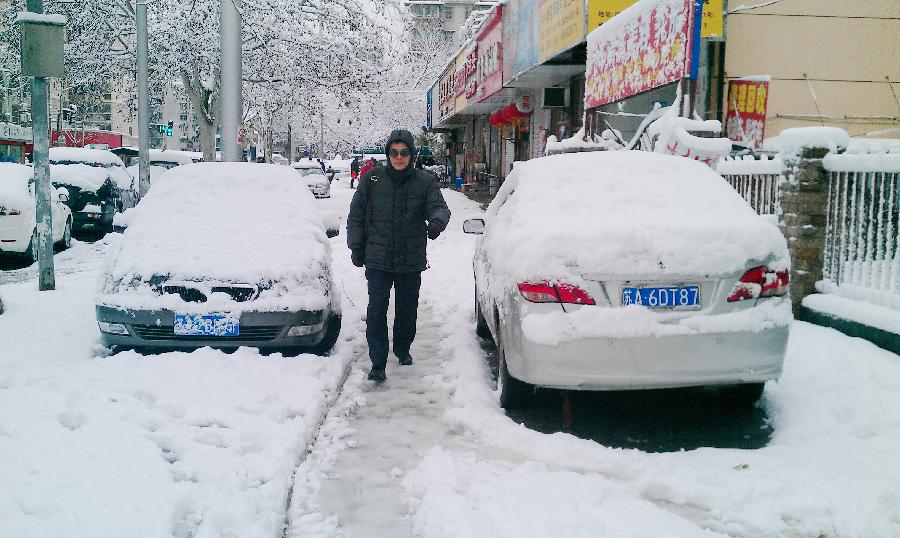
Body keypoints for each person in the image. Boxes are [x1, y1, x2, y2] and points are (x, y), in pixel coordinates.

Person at [347, 129, 451, 382]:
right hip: (378, 258)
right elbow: (356, 216)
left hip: (410, 258)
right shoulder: (372, 180)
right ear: (387, 154)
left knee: (406, 310)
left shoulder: (424, 182)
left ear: (411, 154)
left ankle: (403, 348)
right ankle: (378, 363)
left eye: (404, 152)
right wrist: (356, 247)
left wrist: (436, 223)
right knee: (376, 310)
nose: (398, 157)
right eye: (393, 152)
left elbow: (439, 208)